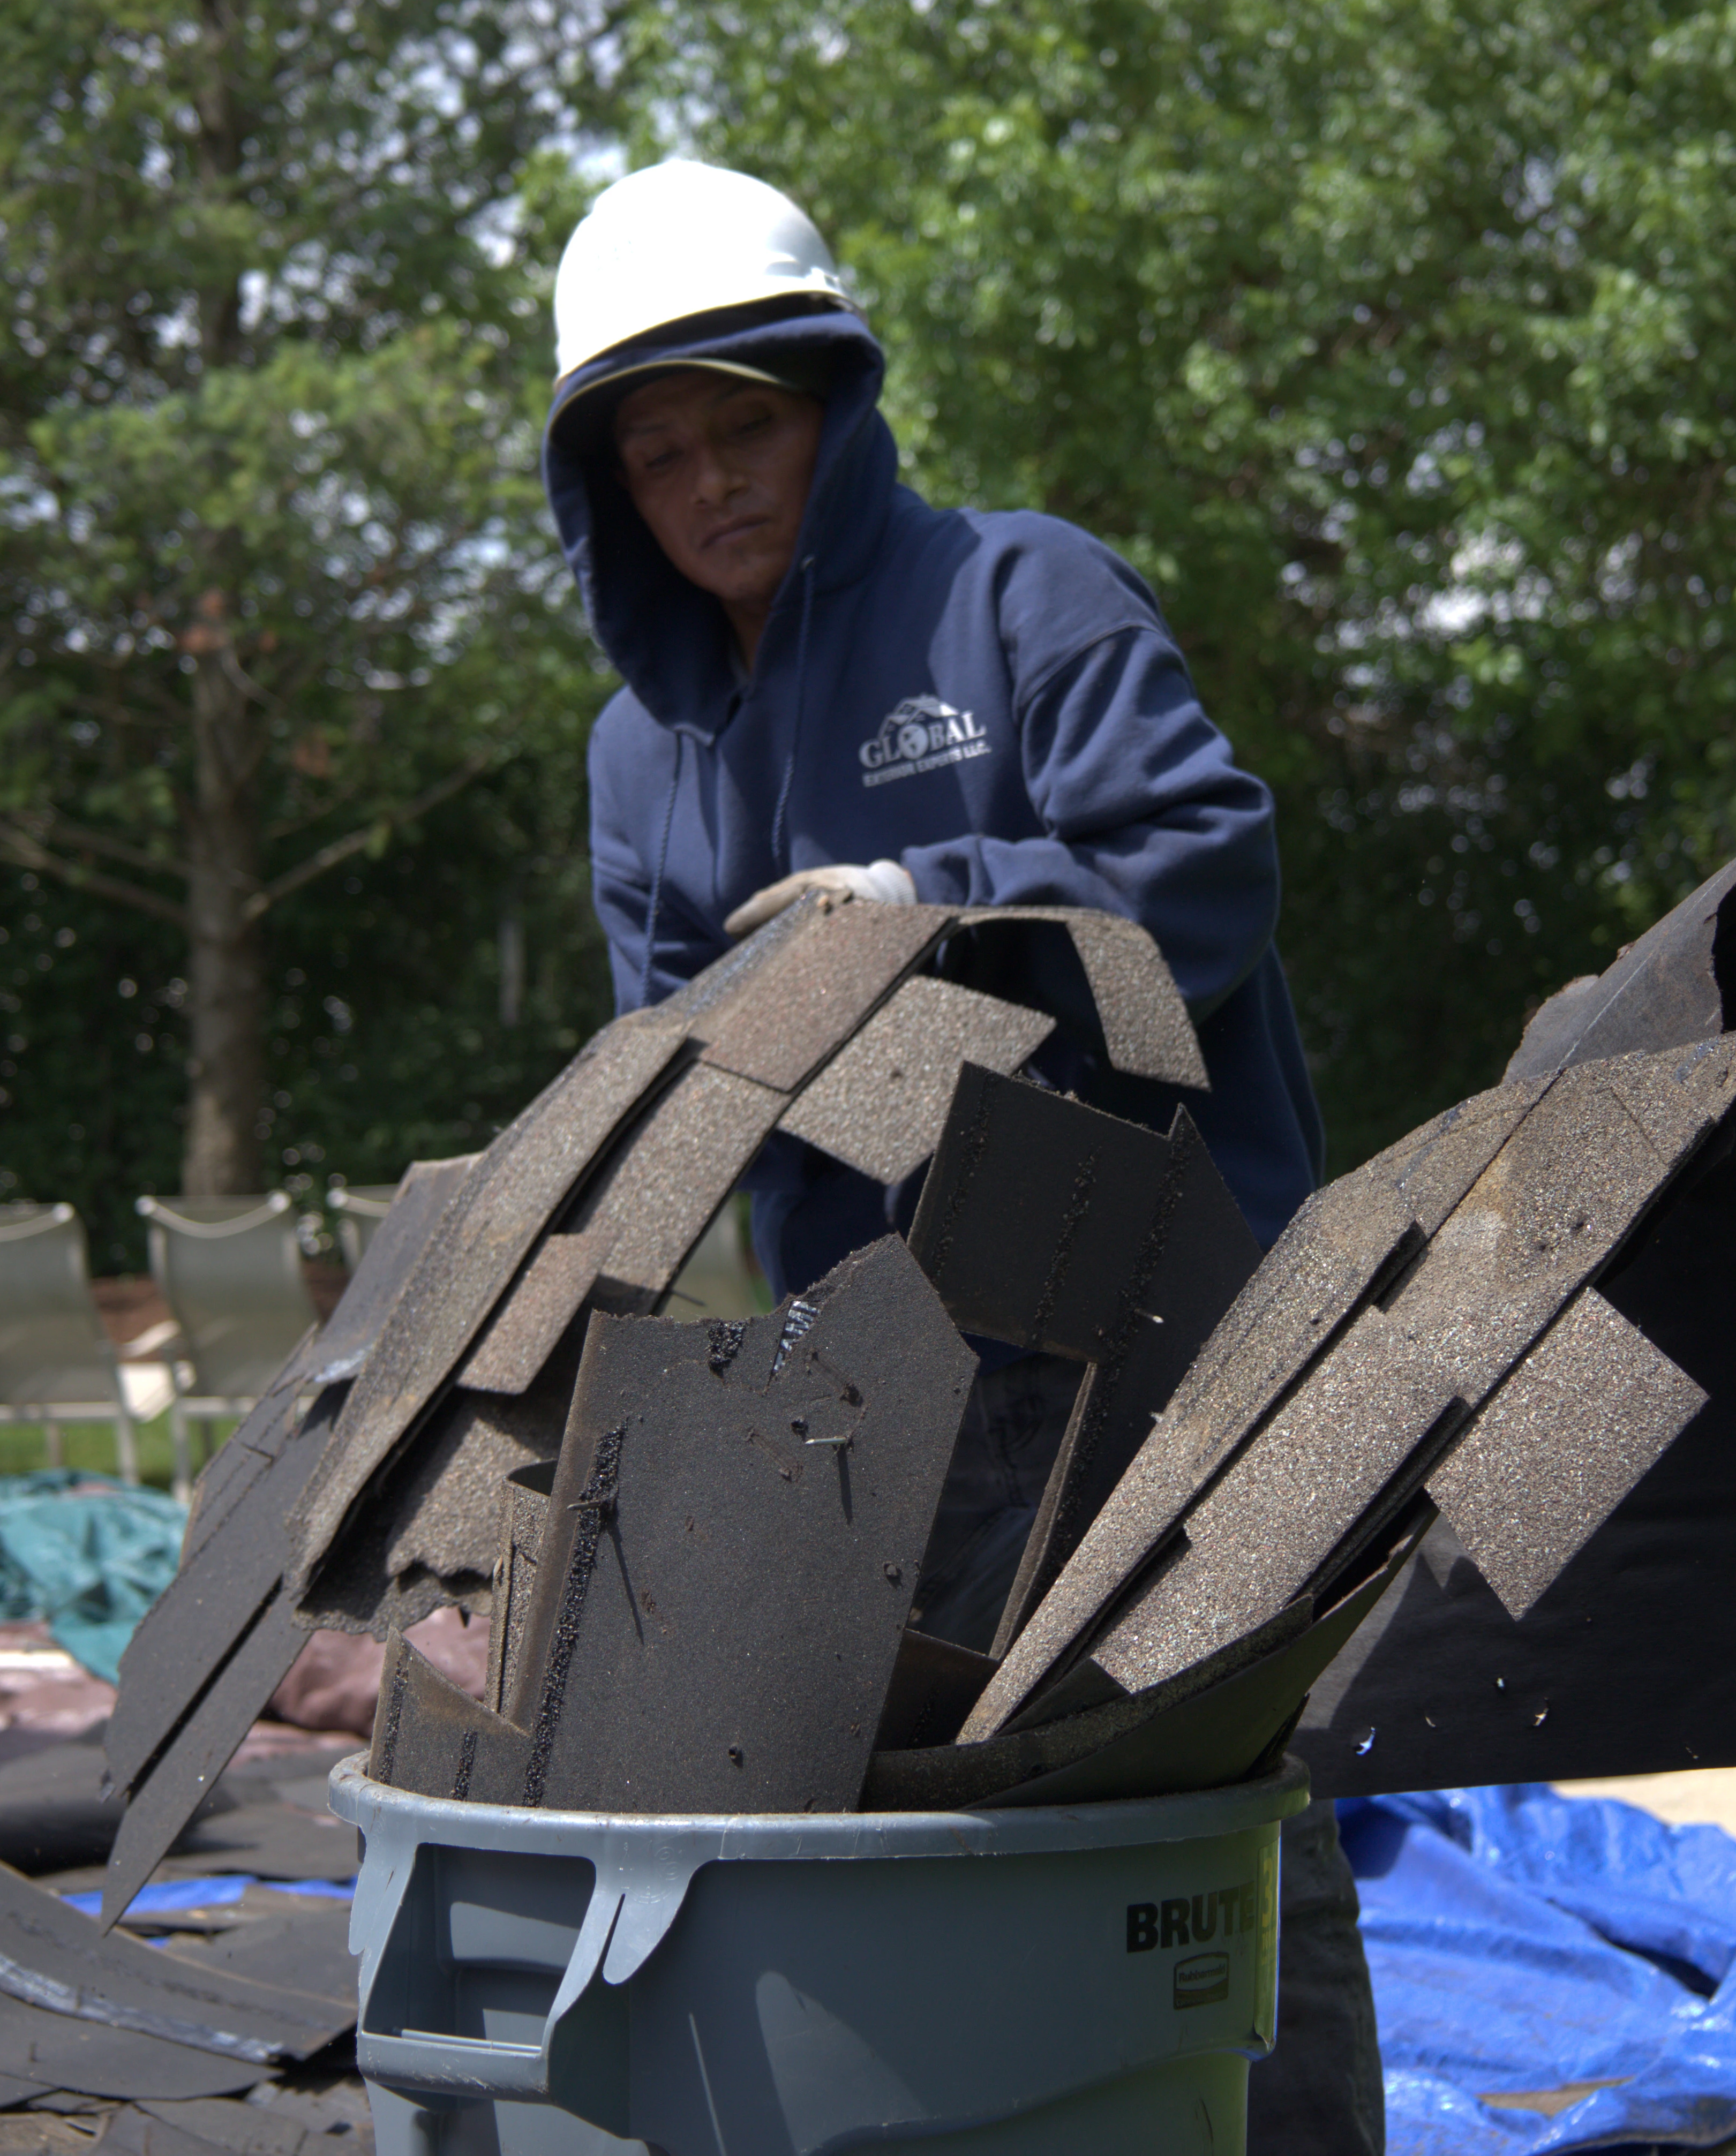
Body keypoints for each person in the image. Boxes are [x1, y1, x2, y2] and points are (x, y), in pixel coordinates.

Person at [544, 159, 1376, 2152]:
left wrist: (939, 899)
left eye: (745, 423)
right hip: (885, 1385)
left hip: (1155, 1338)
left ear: (833, 402)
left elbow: (1207, 883)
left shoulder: (1019, 595)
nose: (711, 481)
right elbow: (675, 1082)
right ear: (611, 501)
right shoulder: (635, 761)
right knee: (928, 1832)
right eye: (657, 456)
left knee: (1210, 1810)